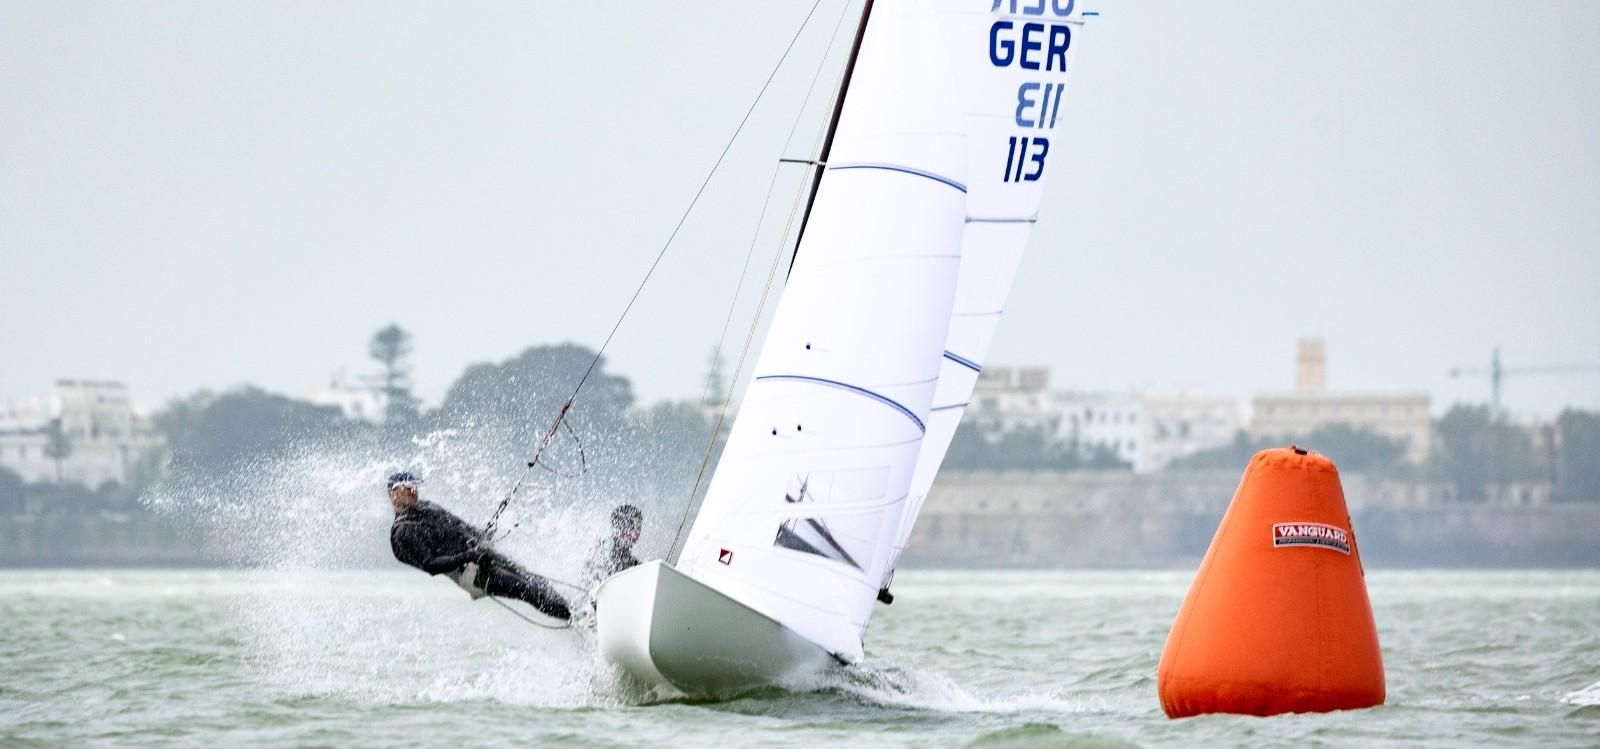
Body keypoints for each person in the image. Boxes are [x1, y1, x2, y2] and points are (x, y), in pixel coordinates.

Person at [387, 471, 571, 621]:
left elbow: (457, 526)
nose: (414, 491)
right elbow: (431, 565)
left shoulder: (426, 507)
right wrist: (469, 556)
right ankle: (573, 617)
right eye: (408, 488)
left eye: (415, 486)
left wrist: (480, 534)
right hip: (471, 574)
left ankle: (578, 608)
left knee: (532, 579)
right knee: (525, 589)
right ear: (393, 494)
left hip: (481, 555)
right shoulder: (404, 531)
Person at [584, 504, 643, 584]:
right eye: (634, 527)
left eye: (639, 527)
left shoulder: (628, 558)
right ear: (621, 527)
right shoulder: (604, 551)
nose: (637, 532)